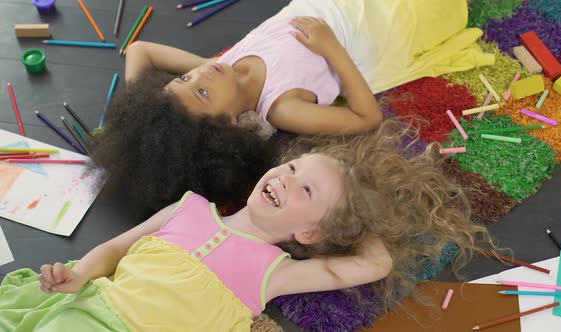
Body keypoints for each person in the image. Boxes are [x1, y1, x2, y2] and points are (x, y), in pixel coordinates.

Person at [0, 120, 495, 331]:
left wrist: (364, 208)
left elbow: (375, 262)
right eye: (294, 167)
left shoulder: (276, 270)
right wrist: (81, 272)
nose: (286, 177)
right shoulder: (188, 209)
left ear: (310, 234)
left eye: (307, 192)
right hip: (95, 317)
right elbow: (116, 248)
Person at [92, 0, 493, 216]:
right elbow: (366, 118)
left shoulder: (223, 66)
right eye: (200, 93)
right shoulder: (282, 107)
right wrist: (330, 47)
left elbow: (140, 49)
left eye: (182, 79)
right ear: (230, 123)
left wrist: (148, 121)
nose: (199, 76)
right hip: (386, 23)